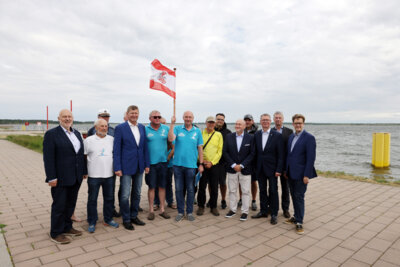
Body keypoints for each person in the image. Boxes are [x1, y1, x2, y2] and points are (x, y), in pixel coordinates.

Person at [43, 109, 87, 244]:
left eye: (69, 116)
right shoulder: (52, 134)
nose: (67, 119)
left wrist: (84, 171)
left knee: (70, 204)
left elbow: (79, 155)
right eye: (64, 117)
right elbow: (48, 158)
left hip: (76, 176)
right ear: (59, 118)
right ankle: (56, 232)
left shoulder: (77, 133)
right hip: (60, 177)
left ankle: (68, 227)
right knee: (59, 205)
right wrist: (51, 177)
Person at [113, 105, 150, 230]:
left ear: (138, 114)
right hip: (126, 166)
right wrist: (117, 167)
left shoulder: (142, 127)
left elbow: (144, 148)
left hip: (139, 166)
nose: (134, 115)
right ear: (127, 114)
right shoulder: (120, 128)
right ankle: (126, 218)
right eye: (132, 113)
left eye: (136, 113)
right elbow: (116, 149)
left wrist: (147, 164)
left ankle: (134, 215)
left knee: (137, 193)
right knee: (125, 194)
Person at [168, 111, 204, 222]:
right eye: (186, 117)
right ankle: (180, 212)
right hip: (178, 165)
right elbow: (170, 139)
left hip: (191, 166)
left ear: (193, 118)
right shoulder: (178, 129)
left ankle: (189, 212)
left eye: (190, 117)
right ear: (183, 118)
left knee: (190, 189)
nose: (188, 119)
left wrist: (201, 164)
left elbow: (200, 148)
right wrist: (172, 124)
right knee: (179, 189)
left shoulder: (197, 131)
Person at [84, 119, 119, 233]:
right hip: (94, 175)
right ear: (96, 128)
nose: (104, 128)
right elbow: (83, 157)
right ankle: (92, 221)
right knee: (92, 199)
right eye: (101, 126)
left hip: (109, 175)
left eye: (106, 126)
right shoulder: (88, 140)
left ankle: (108, 219)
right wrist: (84, 171)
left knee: (109, 198)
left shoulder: (112, 140)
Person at [285, 114, 317, 235]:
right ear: (293, 124)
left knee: (299, 197)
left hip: (301, 175)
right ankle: (295, 216)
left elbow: (311, 159)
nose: (298, 125)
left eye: (300, 123)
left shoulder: (309, 138)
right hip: (290, 173)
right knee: (293, 195)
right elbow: (289, 155)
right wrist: (286, 170)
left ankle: (299, 222)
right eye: (296, 123)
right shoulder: (291, 137)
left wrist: (306, 175)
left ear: (303, 124)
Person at [252, 114, 284, 225]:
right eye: (263, 120)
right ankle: (264, 211)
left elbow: (281, 155)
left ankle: (274, 213)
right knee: (262, 190)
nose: (265, 122)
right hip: (260, 168)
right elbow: (254, 153)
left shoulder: (276, 135)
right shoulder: (256, 135)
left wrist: (279, 169)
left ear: (270, 122)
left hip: (273, 169)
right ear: (260, 122)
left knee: (273, 191)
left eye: (267, 120)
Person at [223, 119, 255, 221]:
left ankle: (244, 212)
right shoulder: (229, 137)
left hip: (245, 169)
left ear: (245, 126)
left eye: (239, 124)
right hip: (232, 169)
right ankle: (232, 210)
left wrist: (242, 165)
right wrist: (233, 165)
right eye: (236, 124)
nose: (237, 126)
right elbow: (225, 152)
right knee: (232, 190)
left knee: (245, 191)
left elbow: (252, 153)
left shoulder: (250, 138)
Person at [145, 110, 171, 220]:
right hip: (150, 164)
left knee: (162, 186)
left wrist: (167, 157)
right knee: (151, 187)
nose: (157, 118)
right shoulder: (145, 129)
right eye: (154, 117)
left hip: (163, 163)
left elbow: (171, 142)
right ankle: (151, 210)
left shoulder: (166, 128)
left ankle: (162, 209)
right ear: (150, 118)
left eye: (158, 117)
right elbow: (142, 147)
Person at [197, 116, 223, 216]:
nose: (211, 124)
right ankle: (201, 206)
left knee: (214, 187)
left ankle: (213, 207)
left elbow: (219, 151)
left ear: (215, 124)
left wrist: (212, 162)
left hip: (214, 165)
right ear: (206, 123)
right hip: (202, 164)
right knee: (202, 186)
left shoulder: (218, 135)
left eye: (213, 122)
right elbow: (198, 149)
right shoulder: (200, 134)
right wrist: (202, 162)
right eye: (209, 122)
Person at [272, 111, 293, 218]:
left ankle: (285, 209)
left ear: (283, 119)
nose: (278, 119)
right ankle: (273, 208)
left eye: (280, 118)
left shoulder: (289, 132)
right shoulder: (270, 131)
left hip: (285, 165)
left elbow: (291, 150)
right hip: (273, 165)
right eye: (276, 118)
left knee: (285, 188)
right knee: (272, 188)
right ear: (273, 119)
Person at [154, 117, 176, 210]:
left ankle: (170, 201)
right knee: (156, 183)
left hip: (168, 163)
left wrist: (168, 157)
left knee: (168, 183)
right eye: (161, 123)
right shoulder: (156, 134)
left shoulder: (168, 133)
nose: (162, 124)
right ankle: (156, 202)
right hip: (157, 162)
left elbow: (174, 148)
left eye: (164, 123)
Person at [239, 114, 258, 211]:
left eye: (249, 120)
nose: (247, 122)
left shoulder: (257, 132)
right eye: (245, 120)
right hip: (242, 160)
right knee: (240, 181)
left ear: (252, 121)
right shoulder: (240, 131)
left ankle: (254, 200)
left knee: (253, 181)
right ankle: (241, 198)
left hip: (253, 161)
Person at [214, 113, 231, 209]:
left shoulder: (228, 132)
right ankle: (212, 199)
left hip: (223, 162)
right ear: (215, 120)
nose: (219, 121)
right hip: (212, 161)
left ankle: (223, 199)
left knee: (222, 183)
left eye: (221, 119)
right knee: (211, 183)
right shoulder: (211, 130)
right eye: (218, 119)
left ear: (224, 121)